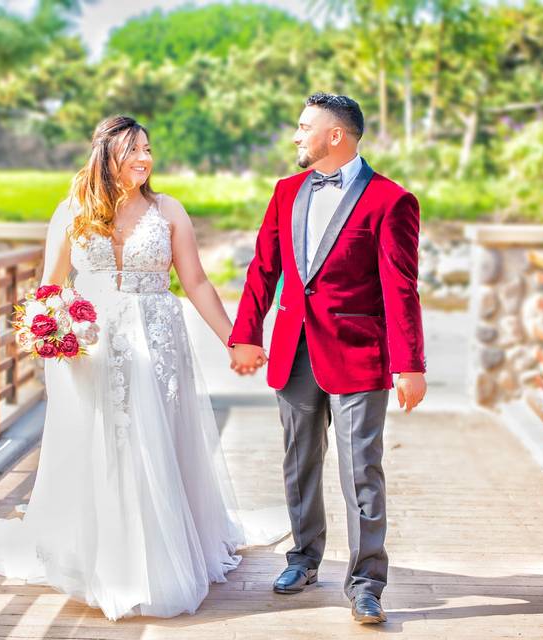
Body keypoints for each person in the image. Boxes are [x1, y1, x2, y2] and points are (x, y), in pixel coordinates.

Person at [0, 115, 282, 620]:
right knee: (101, 441)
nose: (144, 159)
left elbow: (195, 282)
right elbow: (51, 285)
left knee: (154, 439)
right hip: (91, 345)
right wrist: (49, 330)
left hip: (157, 337)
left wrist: (238, 340)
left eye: (148, 149)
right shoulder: (73, 211)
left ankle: (161, 554)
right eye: (132, 151)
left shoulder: (168, 210)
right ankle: (100, 555)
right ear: (107, 155)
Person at [228, 92, 428, 624]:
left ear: (334, 135)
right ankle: (304, 558)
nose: (295, 136)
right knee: (300, 462)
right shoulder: (287, 191)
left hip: (360, 356)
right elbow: (262, 269)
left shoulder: (391, 200)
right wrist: (245, 334)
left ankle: (366, 583)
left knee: (362, 470)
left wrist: (410, 364)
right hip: (294, 350)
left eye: (303, 127)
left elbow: (400, 287)